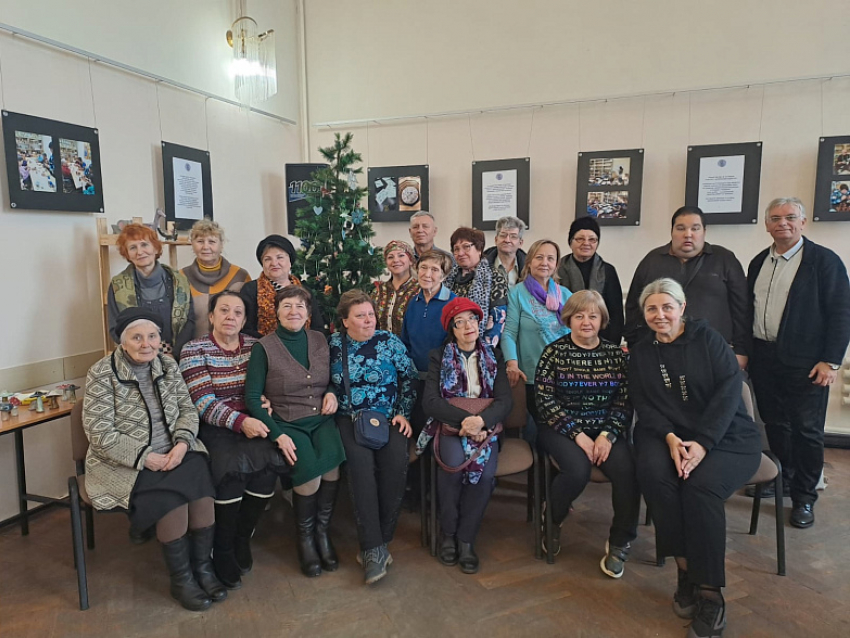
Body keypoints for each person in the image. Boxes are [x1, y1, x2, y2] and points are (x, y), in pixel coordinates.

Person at [630, 278, 761, 638]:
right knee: (655, 476)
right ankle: (686, 570)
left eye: (667, 307)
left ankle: (710, 595)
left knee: (700, 489)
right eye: (652, 309)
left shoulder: (709, 339)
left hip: (725, 435)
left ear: (682, 308)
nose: (660, 315)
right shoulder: (641, 351)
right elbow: (645, 405)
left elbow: (728, 393)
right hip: (665, 433)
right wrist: (671, 438)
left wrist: (702, 443)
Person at [82, 308, 225, 611]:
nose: (146, 344)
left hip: (176, 450)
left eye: (152, 336)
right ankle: (181, 579)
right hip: (126, 463)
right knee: (173, 501)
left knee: (202, 495)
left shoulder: (168, 365)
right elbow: (99, 432)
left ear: (161, 340)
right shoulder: (102, 372)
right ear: (121, 341)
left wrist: (184, 444)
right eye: (136, 337)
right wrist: (145, 457)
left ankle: (203, 568)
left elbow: (188, 410)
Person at [747, 197, 850, 529]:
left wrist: (831, 362)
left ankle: (805, 497)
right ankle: (784, 480)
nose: (783, 223)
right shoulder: (758, 262)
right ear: (767, 225)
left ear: (803, 222)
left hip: (807, 363)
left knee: (807, 431)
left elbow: (841, 314)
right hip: (764, 358)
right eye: (775, 218)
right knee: (775, 426)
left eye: (791, 217)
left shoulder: (824, 262)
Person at [179, 291, 290, 590]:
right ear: (211, 316)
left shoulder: (256, 346)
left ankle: (243, 538)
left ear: (244, 319)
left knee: (269, 465)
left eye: (237, 312)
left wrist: (266, 402)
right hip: (215, 426)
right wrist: (241, 422)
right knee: (230, 471)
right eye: (224, 310)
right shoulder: (194, 349)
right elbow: (202, 402)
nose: (231, 316)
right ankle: (224, 547)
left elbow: (268, 385)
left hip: (253, 420)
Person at [535, 290, 638, 578]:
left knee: (629, 471)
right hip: (560, 429)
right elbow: (544, 401)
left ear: (602, 320)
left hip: (605, 430)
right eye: (579, 316)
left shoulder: (616, 355)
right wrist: (578, 434)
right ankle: (552, 521)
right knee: (577, 470)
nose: (586, 322)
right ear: (568, 319)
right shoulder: (553, 353)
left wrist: (607, 435)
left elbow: (623, 402)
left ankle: (620, 541)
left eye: (592, 316)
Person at [245, 286, 346, 577]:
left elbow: (331, 379)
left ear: (308, 313)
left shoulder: (319, 340)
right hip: (289, 423)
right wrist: (277, 433)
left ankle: (322, 533)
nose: (293, 312)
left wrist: (331, 393)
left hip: (322, 419)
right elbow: (253, 397)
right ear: (276, 312)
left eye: (299, 307)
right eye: (287, 306)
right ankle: (304, 538)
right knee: (311, 474)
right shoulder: (263, 347)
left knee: (332, 471)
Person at [329, 290, 419, 584]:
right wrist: (330, 394)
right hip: (348, 417)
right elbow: (322, 381)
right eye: (360, 316)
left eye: (370, 314)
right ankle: (371, 548)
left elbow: (409, 379)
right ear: (345, 321)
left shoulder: (389, 342)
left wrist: (403, 412)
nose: (368, 320)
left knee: (396, 465)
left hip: (389, 416)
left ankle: (381, 538)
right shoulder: (333, 346)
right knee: (361, 470)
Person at [418, 298, 512, 574]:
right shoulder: (438, 356)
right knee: (452, 470)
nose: (468, 326)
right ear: (452, 329)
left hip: (486, 428)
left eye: (472, 319)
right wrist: (466, 421)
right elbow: (431, 402)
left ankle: (466, 539)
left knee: (483, 478)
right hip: (451, 425)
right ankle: (448, 533)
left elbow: (505, 401)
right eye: (460, 322)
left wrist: (481, 421)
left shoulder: (495, 355)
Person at [624, 207, 749, 368]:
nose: (688, 234)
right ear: (672, 231)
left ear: (704, 231)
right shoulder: (652, 261)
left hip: (712, 353)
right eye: (680, 228)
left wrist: (741, 349)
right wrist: (634, 345)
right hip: (660, 353)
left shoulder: (724, 259)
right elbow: (634, 306)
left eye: (695, 228)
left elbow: (742, 308)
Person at [502, 239, 572, 441]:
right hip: (531, 375)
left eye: (550, 258)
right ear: (529, 262)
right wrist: (512, 364)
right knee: (538, 430)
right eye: (539, 257)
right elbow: (509, 333)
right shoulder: (517, 293)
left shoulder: (565, 295)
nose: (545, 262)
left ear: (556, 264)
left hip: (562, 375)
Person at [107, 223, 195, 358]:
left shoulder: (179, 281)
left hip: (177, 356)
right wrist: (145, 352)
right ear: (127, 254)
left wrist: (174, 354)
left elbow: (189, 321)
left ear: (155, 247)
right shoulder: (117, 286)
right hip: (136, 357)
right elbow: (115, 328)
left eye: (144, 245)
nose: (140, 252)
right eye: (132, 247)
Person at [401, 250, 457, 434]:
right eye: (423, 268)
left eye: (434, 269)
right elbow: (406, 341)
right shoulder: (413, 302)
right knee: (417, 427)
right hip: (416, 378)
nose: (427, 274)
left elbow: (457, 346)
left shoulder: (454, 303)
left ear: (444, 275)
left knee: (437, 431)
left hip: (442, 382)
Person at [241, 234, 326, 338]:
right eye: (267, 259)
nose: (274, 263)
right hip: (263, 348)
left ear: (290, 261)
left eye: (280, 257)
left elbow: (317, 327)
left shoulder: (304, 291)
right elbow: (246, 329)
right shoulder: (250, 290)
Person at [556, 217, 624, 344]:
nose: (586, 243)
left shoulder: (607, 271)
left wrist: (612, 347)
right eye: (580, 239)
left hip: (602, 341)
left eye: (592, 239)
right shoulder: (556, 270)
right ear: (570, 242)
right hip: (563, 340)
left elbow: (616, 315)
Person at [181, 219, 251, 340]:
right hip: (193, 350)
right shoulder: (181, 277)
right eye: (200, 241)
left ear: (221, 245)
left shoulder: (240, 276)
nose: (205, 247)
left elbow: (250, 317)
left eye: (212, 241)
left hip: (234, 349)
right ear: (192, 244)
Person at [445, 227, 508, 347]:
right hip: (450, 347)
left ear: (479, 249)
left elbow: (497, 319)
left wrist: (479, 352)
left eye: (466, 247)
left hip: (483, 349)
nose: (460, 253)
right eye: (456, 249)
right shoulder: (448, 278)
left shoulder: (494, 277)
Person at [371, 240, 419, 335]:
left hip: (410, 348)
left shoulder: (420, 290)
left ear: (410, 261)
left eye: (401, 255)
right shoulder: (378, 291)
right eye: (390, 257)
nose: (396, 260)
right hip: (381, 347)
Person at [483, 215, 527, 288]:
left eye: (513, 236)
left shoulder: (530, 267)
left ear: (520, 243)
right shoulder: (482, 264)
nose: (507, 240)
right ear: (496, 240)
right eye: (503, 235)